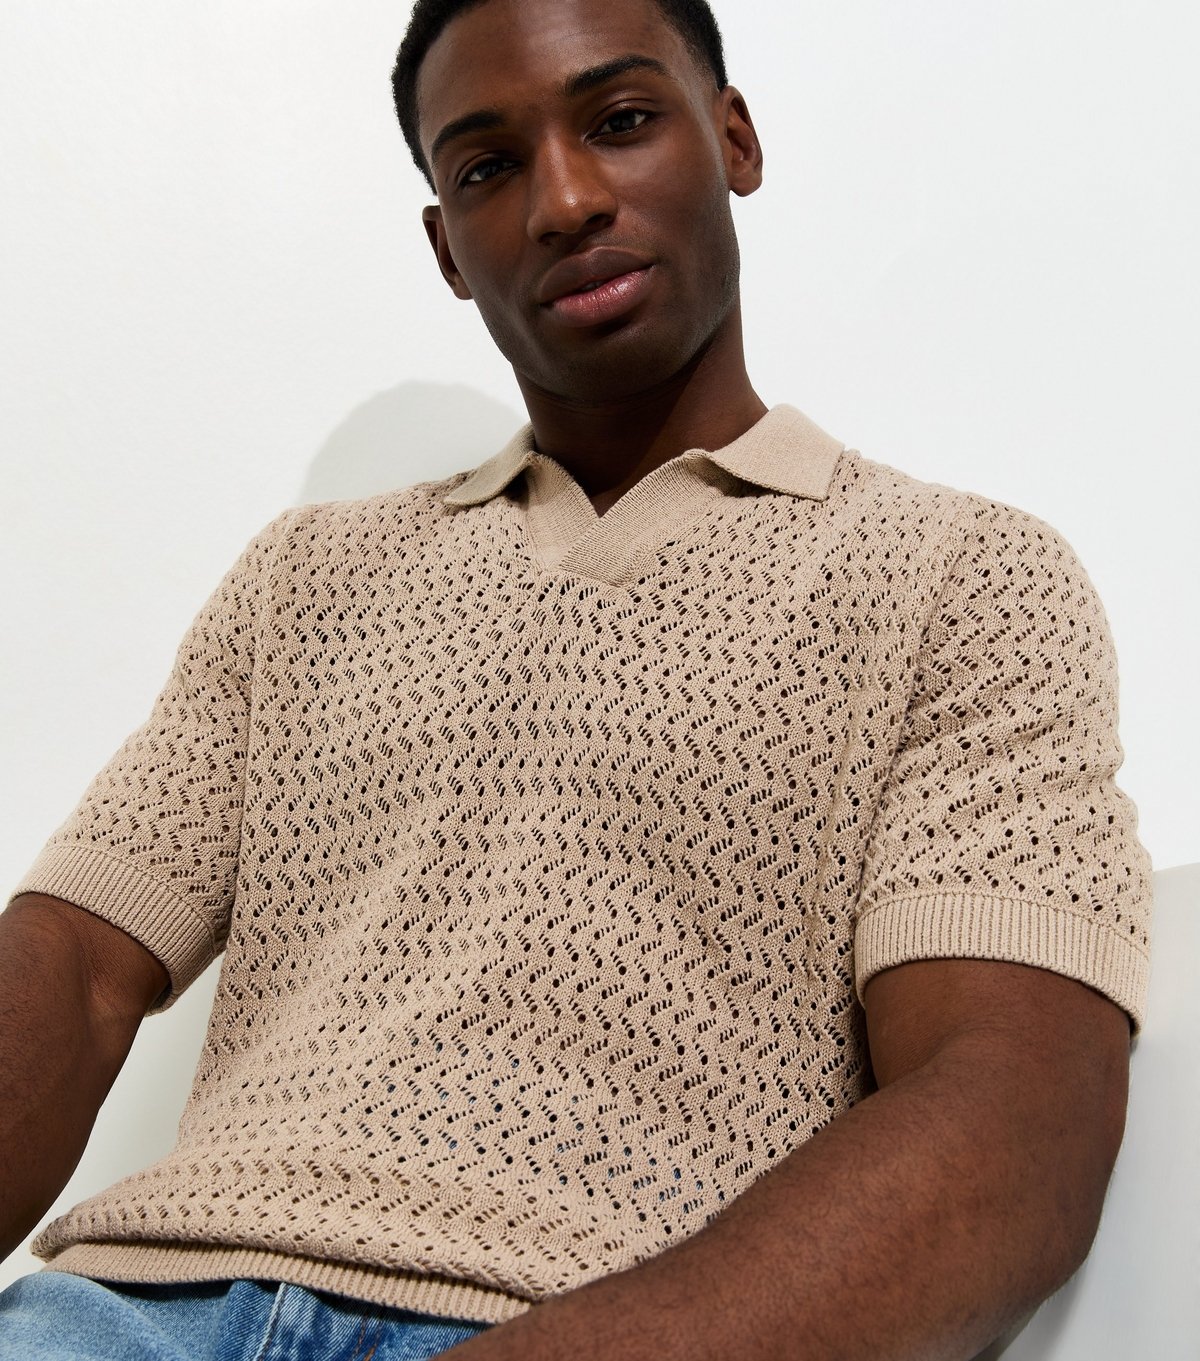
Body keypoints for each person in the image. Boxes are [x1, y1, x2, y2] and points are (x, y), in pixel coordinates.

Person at [0, 0, 1152, 1357]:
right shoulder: (302, 578)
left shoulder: (963, 576)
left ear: (734, 139)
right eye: (489, 166)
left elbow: (1012, 1115)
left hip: (578, 1325)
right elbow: (74, 965)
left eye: (620, 120)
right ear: (447, 245)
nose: (564, 201)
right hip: (125, 1311)